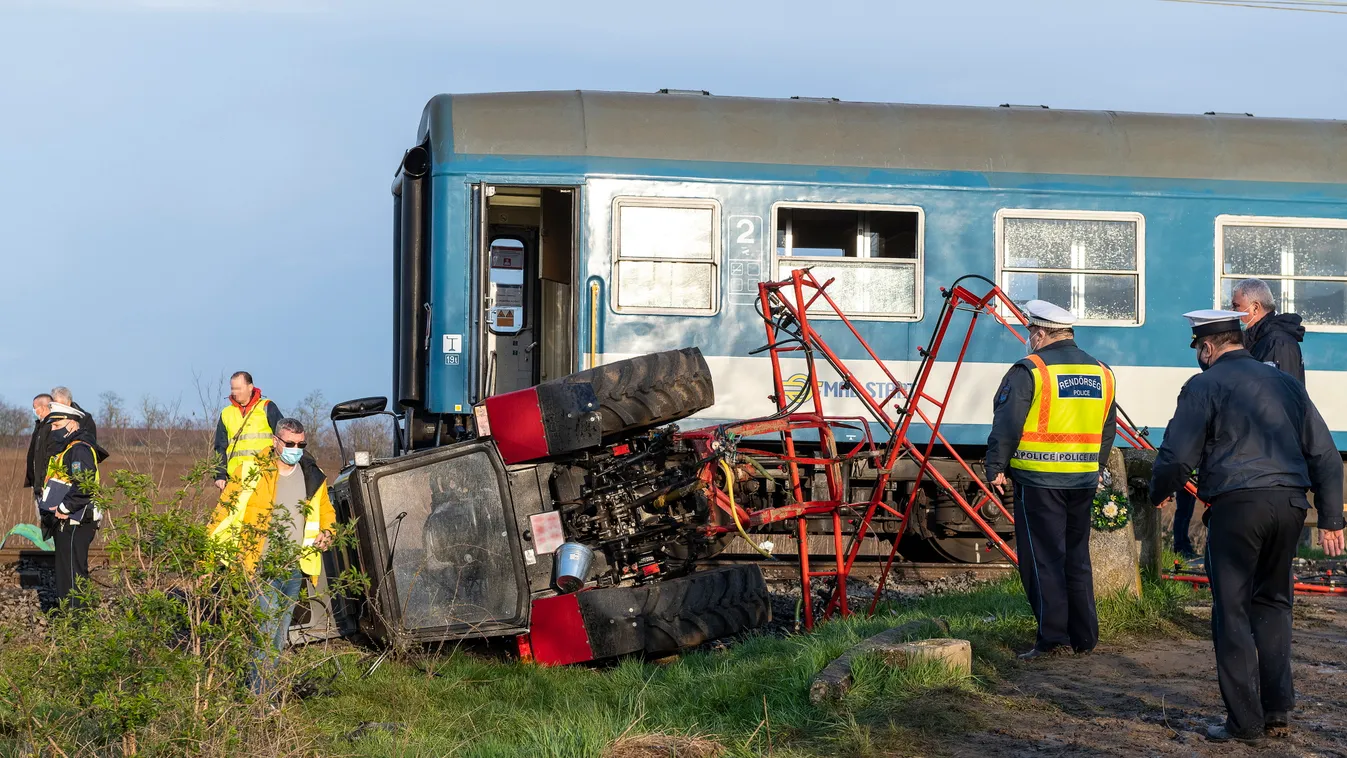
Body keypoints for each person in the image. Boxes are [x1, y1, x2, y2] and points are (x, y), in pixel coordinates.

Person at [1149, 309, 1344, 744]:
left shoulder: (1203, 385)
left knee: (1232, 611)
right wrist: (1331, 517)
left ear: (1207, 347)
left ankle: (1244, 722)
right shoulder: (1287, 384)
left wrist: (1159, 490)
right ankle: (1277, 712)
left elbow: (1178, 457)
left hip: (1238, 506)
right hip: (1290, 504)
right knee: (1274, 603)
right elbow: (1326, 454)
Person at [985, 300, 1117, 661]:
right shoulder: (1102, 372)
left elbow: (1008, 422)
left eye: (1031, 333)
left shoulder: (1031, 369)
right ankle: (1084, 637)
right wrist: (1093, 464)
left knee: (1043, 558)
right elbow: (1107, 429)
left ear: (1039, 333)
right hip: (1083, 481)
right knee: (1076, 557)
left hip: (1039, 480)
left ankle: (1052, 638)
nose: (1029, 339)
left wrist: (995, 466)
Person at [208, 418, 334, 687]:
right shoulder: (250, 470)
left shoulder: (313, 474)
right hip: (259, 565)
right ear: (276, 442)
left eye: (301, 444)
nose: (295, 449)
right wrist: (205, 558)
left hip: (293, 566)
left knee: (279, 634)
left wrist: (328, 532)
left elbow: (326, 512)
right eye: (289, 443)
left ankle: (265, 692)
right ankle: (259, 698)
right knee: (266, 631)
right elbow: (222, 513)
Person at [39, 407, 110, 608]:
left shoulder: (79, 449)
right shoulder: (68, 448)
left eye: (57, 425)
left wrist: (64, 507)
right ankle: (72, 624)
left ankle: (76, 626)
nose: (53, 430)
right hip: (67, 520)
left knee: (72, 577)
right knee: (67, 575)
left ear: (72, 423)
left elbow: (84, 485)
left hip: (75, 520)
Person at [213, 371, 283, 491]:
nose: (235, 392)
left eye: (239, 388)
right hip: (234, 480)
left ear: (250, 387)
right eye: (232, 389)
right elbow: (220, 447)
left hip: (263, 477)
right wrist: (220, 475)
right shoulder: (226, 413)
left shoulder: (267, 407)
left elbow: (284, 438)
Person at [1230, 277, 1305, 384]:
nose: (1232, 311)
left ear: (1255, 308)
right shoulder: (1259, 338)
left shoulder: (1278, 343)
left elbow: (1280, 394)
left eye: (1236, 306)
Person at [24, 394, 53, 501]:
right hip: (37, 484)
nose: (33, 411)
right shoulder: (39, 426)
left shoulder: (51, 427)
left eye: (35, 407)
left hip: (46, 484)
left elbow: (46, 457)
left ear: (44, 407)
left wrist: (42, 482)